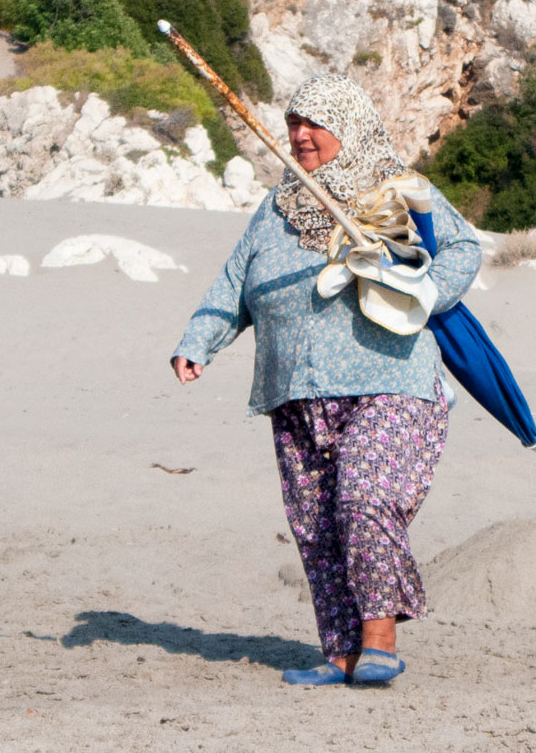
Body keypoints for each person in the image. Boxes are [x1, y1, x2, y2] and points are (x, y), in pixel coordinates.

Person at [169, 76, 482, 686]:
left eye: (315, 122)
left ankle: (380, 640)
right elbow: (234, 283)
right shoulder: (276, 207)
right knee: (314, 523)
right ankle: (340, 652)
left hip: (390, 379)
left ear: (350, 125)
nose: (300, 135)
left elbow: (463, 247)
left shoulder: (395, 189)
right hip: (295, 388)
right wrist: (197, 341)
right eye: (293, 122)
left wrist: (428, 290)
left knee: (364, 497)